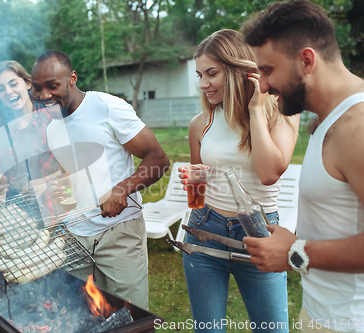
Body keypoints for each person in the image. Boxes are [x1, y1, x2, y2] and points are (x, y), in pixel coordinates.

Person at [240, 1, 364, 332]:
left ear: (306, 60)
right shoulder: (328, 119)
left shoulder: (357, 127)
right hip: (323, 314)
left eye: (267, 70)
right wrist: (293, 240)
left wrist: (296, 252)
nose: (262, 86)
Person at [178, 29, 299, 332]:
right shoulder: (200, 123)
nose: (203, 84)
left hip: (260, 232)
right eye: (199, 75)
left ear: (238, 71)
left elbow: (270, 173)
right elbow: (199, 179)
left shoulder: (281, 113)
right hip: (205, 229)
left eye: (211, 73)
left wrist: (255, 108)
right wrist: (194, 187)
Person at [30, 50, 169, 310]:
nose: (43, 96)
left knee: (130, 316)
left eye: (52, 86)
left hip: (118, 232)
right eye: (37, 89)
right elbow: (73, 174)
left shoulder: (107, 107)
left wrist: (122, 189)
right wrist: (59, 186)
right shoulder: (52, 128)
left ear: (72, 78)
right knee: (81, 318)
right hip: (74, 235)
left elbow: (158, 158)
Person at [0, 60, 59, 201]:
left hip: (56, 204)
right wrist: (0, 180)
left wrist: (44, 182)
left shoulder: (51, 118)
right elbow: (2, 169)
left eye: (13, 84)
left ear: (27, 83)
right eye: (1, 89)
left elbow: (73, 164)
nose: (8, 92)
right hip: (21, 208)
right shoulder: (1, 130)